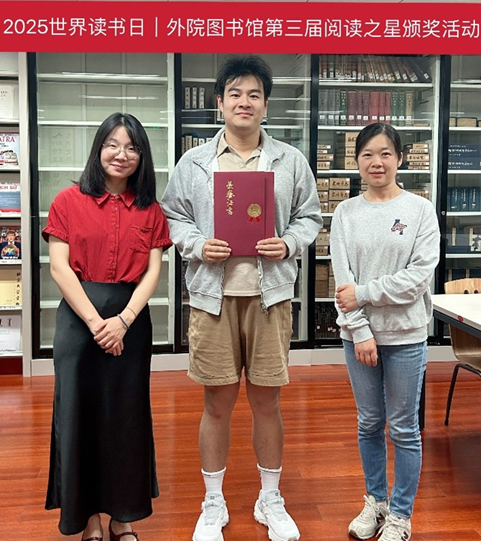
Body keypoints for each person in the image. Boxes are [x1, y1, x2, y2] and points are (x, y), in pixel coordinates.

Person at [161, 55, 322, 541]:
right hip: (212, 297)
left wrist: (288, 242)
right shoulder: (194, 162)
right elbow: (173, 216)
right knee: (217, 402)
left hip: (270, 297)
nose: (244, 102)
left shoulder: (290, 160)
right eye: (235, 93)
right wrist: (196, 244)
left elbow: (310, 216)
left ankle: (269, 497)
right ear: (220, 102)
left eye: (254, 94)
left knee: (267, 401)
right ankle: (213, 502)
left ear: (266, 104)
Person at [42, 112, 172, 541]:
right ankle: (90, 519)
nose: (121, 154)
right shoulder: (68, 201)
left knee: (125, 418)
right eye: (112, 144)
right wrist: (98, 323)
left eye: (132, 147)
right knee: (78, 416)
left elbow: (153, 272)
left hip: (130, 322)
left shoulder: (151, 210)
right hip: (80, 322)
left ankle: (122, 516)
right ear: (99, 149)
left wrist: (123, 321)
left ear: (142, 156)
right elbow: (59, 268)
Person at [330, 122, 440, 541]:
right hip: (357, 337)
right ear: (356, 161)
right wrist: (359, 330)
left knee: (404, 427)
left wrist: (364, 293)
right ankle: (375, 502)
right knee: (369, 422)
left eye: (385, 154)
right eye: (367, 155)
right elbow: (342, 281)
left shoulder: (420, 211)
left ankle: (400, 515)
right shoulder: (345, 213)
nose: (376, 162)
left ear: (400, 159)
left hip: (407, 335)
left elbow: (417, 279)